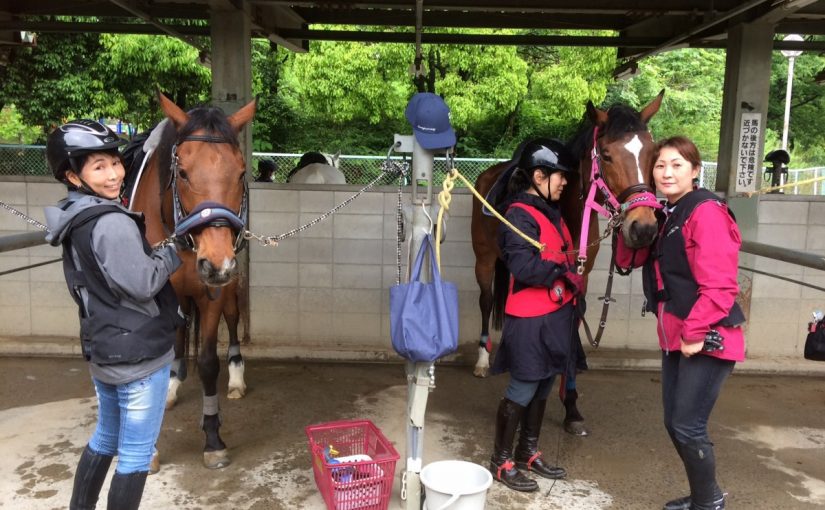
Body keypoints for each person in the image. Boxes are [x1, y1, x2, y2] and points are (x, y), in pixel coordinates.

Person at [43, 120, 184, 510]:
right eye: (98, 167)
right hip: (138, 354)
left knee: (106, 436)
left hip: (106, 346)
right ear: (73, 175)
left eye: (114, 163)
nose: (113, 174)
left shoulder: (77, 214)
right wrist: (170, 254)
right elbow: (142, 284)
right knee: (136, 455)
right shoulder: (111, 222)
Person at [616, 136, 744, 510]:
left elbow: (720, 286)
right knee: (676, 424)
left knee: (688, 425)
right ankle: (707, 495)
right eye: (659, 165)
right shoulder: (668, 212)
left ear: (695, 171)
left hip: (707, 336)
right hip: (677, 334)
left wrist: (694, 333)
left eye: (677, 164)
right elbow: (632, 259)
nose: (666, 172)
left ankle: (709, 503)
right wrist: (629, 214)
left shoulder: (705, 212)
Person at [488, 138, 584, 492]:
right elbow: (525, 267)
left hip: (555, 316)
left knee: (544, 383)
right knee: (523, 387)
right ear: (539, 176)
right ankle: (500, 461)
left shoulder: (551, 213)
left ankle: (527, 450)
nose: (565, 183)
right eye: (560, 177)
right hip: (530, 319)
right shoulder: (518, 215)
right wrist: (564, 269)